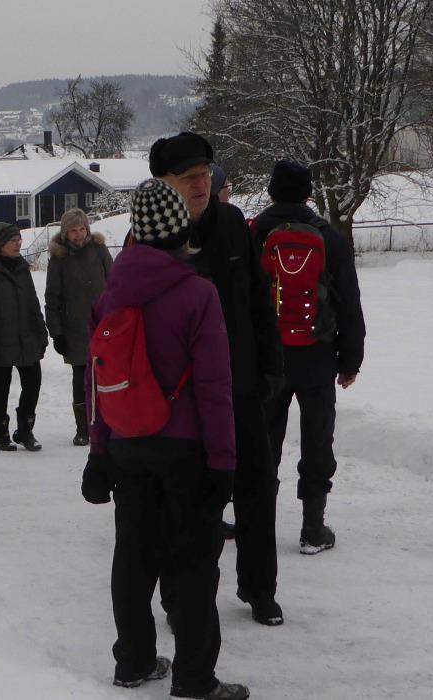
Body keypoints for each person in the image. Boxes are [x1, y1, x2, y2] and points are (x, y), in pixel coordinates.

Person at [81, 179, 246, 700]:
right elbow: (215, 388)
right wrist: (224, 461)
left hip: (127, 445)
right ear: (181, 229)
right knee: (194, 563)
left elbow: (100, 381)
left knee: (133, 556)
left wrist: (99, 450)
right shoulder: (198, 294)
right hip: (185, 451)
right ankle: (195, 680)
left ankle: (132, 660)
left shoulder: (108, 295)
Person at [150, 132, 287, 627]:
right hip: (182, 400)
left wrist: (271, 364)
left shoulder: (232, 224)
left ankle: (259, 587)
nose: (200, 184)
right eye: (188, 178)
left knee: (258, 487)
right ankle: (179, 595)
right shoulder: (151, 234)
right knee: (187, 503)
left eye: (205, 175)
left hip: (241, 385)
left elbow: (258, 299)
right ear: (164, 183)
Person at [250, 160, 366, 555]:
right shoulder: (328, 236)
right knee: (317, 440)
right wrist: (351, 360)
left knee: (264, 441)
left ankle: (257, 522)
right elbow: (348, 301)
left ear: (271, 191)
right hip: (317, 355)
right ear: (308, 193)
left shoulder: (256, 232)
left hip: (267, 357)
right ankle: (312, 528)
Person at [0, 222, 49, 452]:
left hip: (27, 341)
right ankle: (1, 434)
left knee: (33, 383)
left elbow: (33, 305)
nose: (18, 243)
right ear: (0, 244)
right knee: (1, 387)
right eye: (13, 240)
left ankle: (25, 431)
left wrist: (41, 335)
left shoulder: (23, 269)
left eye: (19, 239)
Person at [44, 208, 111, 447]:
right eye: (73, 230)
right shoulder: (59, 258)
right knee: (81, 379)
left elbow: (114, 283)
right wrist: (57, 332)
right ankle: (83, 428)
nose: (79, 234)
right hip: (74, 329)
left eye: (82, 229)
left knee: (107, 377)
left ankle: (107, 424)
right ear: (65, 233)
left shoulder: (99, 250)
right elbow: (52, 298)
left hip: (104, 326)